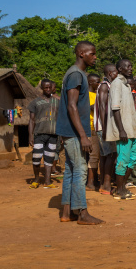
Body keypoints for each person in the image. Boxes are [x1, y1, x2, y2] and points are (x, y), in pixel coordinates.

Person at [57, 41, 104, 225]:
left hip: (70, 131)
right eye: (92, 53)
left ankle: (67, 212)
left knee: (70, 170)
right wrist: (84, 135)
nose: (95, 56)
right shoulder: (76, 74)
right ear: (81, 53)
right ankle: (82, 213)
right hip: (75, 132)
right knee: (80, 170)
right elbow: (71, 105)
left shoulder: (77, 74)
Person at [106, 59, 136, 200]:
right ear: (119, 69)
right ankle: (119, 190)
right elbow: (115, 109)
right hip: (124, 130)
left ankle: (122, 187)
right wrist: (121, 130)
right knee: (123, 160)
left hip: (131, 129)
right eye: (127, 66)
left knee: (134, 158)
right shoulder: (116, 84)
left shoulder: (126, 86)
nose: (130, 68)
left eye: (131, 65)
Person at [27, 79, 60, 189]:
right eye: (45, 87)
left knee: (49, 159)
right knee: (36, 158)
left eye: (49, 87)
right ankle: (36, 180)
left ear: (52, 88)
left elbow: (60, 119)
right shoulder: (35, 102)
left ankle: (47, 181)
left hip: (53, 135)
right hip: (39, 134)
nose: (47, 89)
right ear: (41, 88)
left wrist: (61, 135)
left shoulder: (57, 101)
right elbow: (31, 120)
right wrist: (31, 135)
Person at [94, 64, 118, 195]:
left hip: (104, 126)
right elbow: (103, 106)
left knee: (104, 156)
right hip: (104, 127)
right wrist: (105, 128)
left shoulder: (108, 86)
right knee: (111, 154)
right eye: (115, 72)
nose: (117, 74)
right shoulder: (104, 86)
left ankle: (103, 184)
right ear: (109, 73)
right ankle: (107, 186)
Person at [86, 73, 101, 191]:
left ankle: (94, 180)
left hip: (97, 127)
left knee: (96, 155)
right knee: (94, 155)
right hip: (91, 128)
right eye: (97, 81)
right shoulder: (86, 95)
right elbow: (90, 107)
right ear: (90, 82)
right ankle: (90, 183)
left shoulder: (97, 94)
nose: (99, 84)